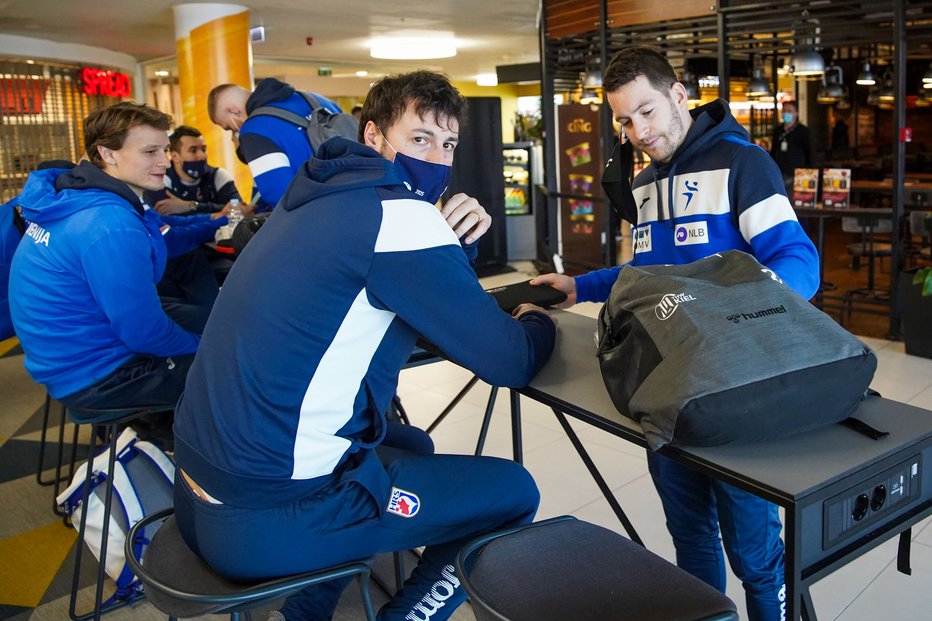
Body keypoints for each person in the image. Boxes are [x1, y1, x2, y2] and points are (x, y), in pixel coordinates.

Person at [173, 70, 557, 621]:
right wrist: (535, 317)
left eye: (447, 144)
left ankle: (305, 612)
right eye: (419, 138)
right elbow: (510, 360)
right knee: (513, 491)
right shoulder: (400, 217)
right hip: (263, 517)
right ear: (373, 135)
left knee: (411, 446)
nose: (436, 159)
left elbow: (378, 303)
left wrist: (444, 253)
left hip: (196, 487)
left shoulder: (311, 194)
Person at [532, 47, 819, 621]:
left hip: (736, 395)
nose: (637, 131)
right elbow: (645, 274)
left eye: (647, 112)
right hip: (663, 391)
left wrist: (725, 311)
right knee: (690, 539)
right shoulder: (643, 184)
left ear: (679, 96)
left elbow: (800, 264)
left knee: (757, 558)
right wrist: (580, 285)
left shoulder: (744, 163)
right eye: (623, 120)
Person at [8, 102, 205, 415]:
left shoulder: (77, 196)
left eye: (165, 150)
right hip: (94, 376)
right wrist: (204, 348)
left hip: (62, 354)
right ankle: (187, 455)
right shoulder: (110, 223)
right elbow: (143, 333)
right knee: (238, 368)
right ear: (108, 154)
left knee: (211, 321)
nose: (165, 162)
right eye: (150, 151)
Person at [207, 78, 344, 208]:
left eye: (230, 128)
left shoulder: (253, 129)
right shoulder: (318, 100)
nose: (234, 135)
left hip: (322, 212)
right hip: (357, 196)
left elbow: (281, 196)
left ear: (234, 111)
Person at [143, 125, 243, 216]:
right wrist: (220, 212)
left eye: (203, 149)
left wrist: (190, 206)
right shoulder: (160, 179)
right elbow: (170, 224)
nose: (202, 156)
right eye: (193, 151)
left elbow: (241, 210)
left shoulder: (219, 175)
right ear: (175, 157)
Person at [769, 100, 813, 194]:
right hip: (778, 173)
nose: (786, 113)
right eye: (784, 111)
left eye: (789, 111)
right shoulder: (777, 131)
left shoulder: (803, 131)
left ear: (796, 113)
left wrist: (808, 172)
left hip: (796, 174)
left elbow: (810, 153)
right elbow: (773, 151)